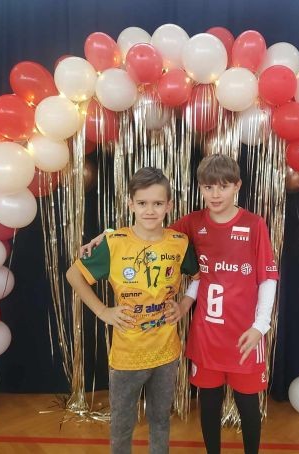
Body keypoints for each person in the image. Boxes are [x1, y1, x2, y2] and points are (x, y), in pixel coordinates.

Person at [83, 155, 279, 454]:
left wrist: (260, 325)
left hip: (244, 335)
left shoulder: (254, 224)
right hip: (207, 335)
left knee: (248, 405)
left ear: (237, 186)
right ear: (200, 188)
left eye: (223, 186)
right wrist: (108, 235)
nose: (216, 194)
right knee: (209, 403)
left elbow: (268, 278)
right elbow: (149, 232)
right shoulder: (193, 223)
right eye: (208, 187)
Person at [67, 167, 199, 454]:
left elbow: (200, 275)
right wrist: (103, 311)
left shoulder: (179, 243)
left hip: (166, 351)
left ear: (169, 205)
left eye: (157, 203)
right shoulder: (114, 243)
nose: (150, 210)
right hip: (127, 354)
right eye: (142, 203)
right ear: (130, 204)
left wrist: (184, 304)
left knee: (160, 420)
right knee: (122, 424)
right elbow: (73, 275)